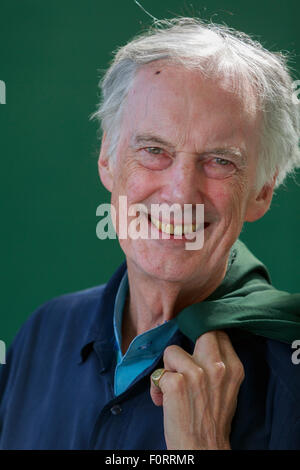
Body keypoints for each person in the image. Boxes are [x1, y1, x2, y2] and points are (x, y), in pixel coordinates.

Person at [1, 17, 300, 450]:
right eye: (155, 150)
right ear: (107, 156)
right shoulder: (45, 333)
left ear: (263, 190)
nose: (180, 194)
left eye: (220, 160)